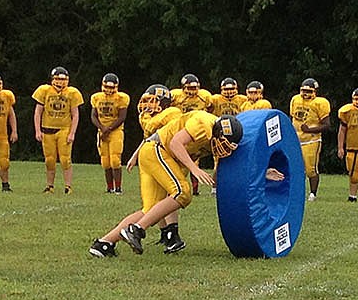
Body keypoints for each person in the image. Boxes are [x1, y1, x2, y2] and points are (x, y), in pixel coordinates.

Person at [91, 111, 244, 256]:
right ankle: (136, 230)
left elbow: (223, 172)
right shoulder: (204, 124)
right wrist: (194, 169)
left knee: (150, 211)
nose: (223, 150)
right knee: (182, 192)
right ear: (216, 132)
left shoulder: (218, 137)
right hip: (158, 150)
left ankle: (104, 244)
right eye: (223, 144)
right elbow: (175, 143)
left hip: (155, 153)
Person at [90, 84, 184, 258]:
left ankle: (105, 243)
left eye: (151, 101)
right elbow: (155, 138)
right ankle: (168, 234)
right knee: (175, 196)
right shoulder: (164, 115)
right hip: (160, 158)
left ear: (163, 102)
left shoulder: (168, 115)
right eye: (145, 101)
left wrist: (135, 155)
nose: (147, 105)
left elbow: (152, 137)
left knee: (155, 206)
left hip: (153, 157)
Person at [32, 66, 84, 194]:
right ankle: (50, 186)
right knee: (49, 160)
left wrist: (72, 132)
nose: (60, 82)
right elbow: (38, 112)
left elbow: (75, 114)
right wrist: (37, 130)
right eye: (58, 79)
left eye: (63, 79)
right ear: (52, 79)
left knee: (65, 159)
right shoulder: (44, 90)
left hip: (64, 129)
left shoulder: (72, 93)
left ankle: (68, 186)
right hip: (47, 129)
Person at [170, 73, 213, 195]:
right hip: (180, 128)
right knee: (178, 159)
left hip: (196, 129)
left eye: (195, 88)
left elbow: (210, 108)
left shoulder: (204, 96)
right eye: (190, 88)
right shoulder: (176, 96)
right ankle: (175, 185)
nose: (193, 91)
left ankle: (194, 190)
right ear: (183, 87)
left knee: (195, 159)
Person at [289, 78, 331, 201]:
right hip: (296, 139)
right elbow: (293, 118)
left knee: (310, 169)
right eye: (303, 90)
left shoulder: (320, 103)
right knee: (295, 168)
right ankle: (297, 193)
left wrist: (309, 130)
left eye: (309, 91)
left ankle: (313, 193)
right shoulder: (295, 99)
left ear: (315, 91)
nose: (305, 93)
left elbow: (326, 125)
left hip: (312, 140)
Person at [90, 73, 130, 194]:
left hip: (116, 131)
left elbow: (122, 117)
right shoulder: (96, 98)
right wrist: (102, 128)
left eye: (112, 87)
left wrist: (109, 129)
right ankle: (109, 187)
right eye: (107, 87)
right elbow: (93, 115)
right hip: (102, 131)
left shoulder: (121, 98)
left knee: (115, 160)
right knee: (105, 162)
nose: (109, 90)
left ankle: (118, 188)